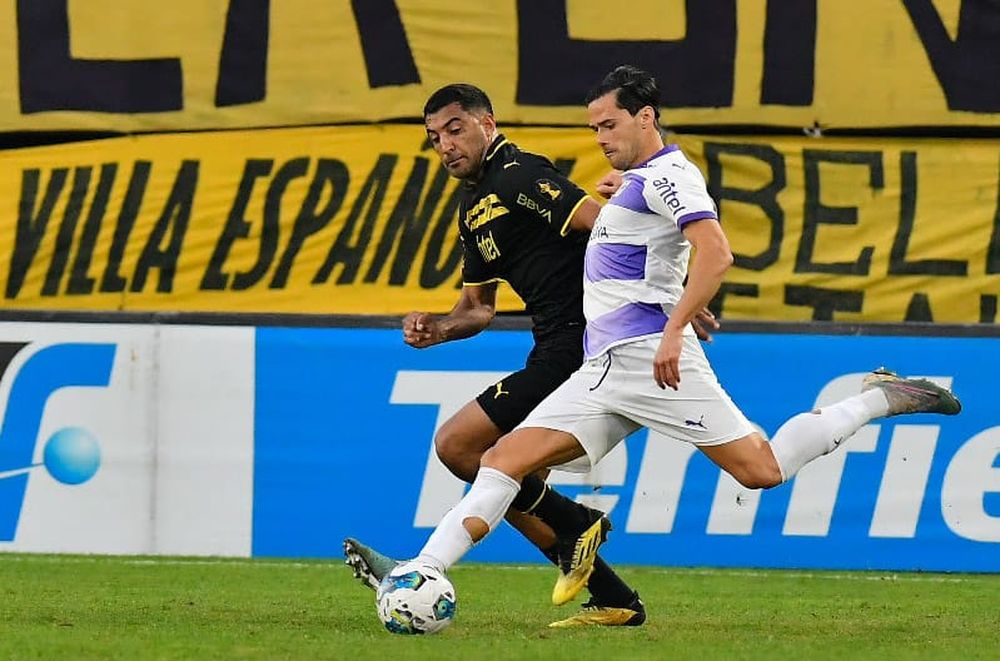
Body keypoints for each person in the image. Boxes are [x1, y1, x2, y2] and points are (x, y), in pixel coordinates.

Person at [370, 66, 963, 608]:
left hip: (650, 359)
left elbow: (716, 249)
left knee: (761, 471)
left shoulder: (668, 176)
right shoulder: (633, 182)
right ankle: (422, 572)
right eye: (595, 126)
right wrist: (671, 282)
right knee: (500, 462)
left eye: (609, 124)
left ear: (645, 117)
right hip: (602, 367)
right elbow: (635, 249)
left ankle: (878, 396)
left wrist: (678, 322)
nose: (599, 137)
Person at [343, 82, 691, 627]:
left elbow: (604, 225)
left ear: (487, 123)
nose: (446, 146)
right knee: (477, 455)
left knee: (463, 447)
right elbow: (478, 309)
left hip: (584, 344)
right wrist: (438, 327)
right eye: (435, 139)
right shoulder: (472, 205)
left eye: (455, 130)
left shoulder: (521, 174)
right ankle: (608, 585)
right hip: (552, 346)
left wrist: (668, 295)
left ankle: (570, 531)